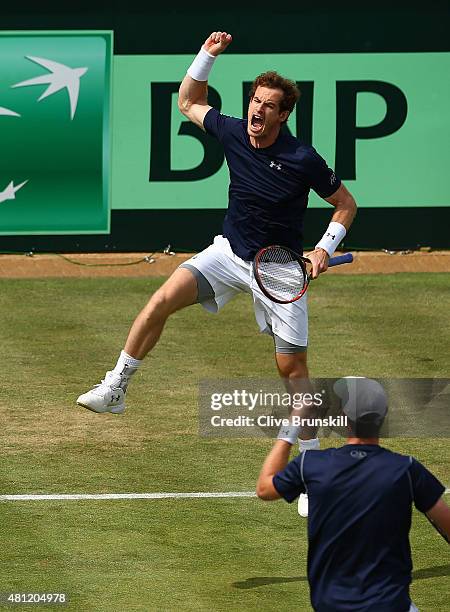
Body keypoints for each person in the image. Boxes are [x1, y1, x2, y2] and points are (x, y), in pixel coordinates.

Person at [76, 31, 357, 516]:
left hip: (280, 269)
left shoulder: (302, 159)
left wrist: (323, 248)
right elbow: (188, 100)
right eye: (255, 101)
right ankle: (116, 387)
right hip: (228, 254)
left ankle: (311, 473)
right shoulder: (230, 131)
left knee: (293, 372)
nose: (257, 110)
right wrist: (208, 53)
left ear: (284, 114)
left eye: (268, 105)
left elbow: (345, 204)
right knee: (160, 301)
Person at [256, 377, 450, 612]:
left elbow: (264, 489)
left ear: (345, 420)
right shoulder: (406, 469)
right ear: (383, 417)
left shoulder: (312, 465)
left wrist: (293, 422)